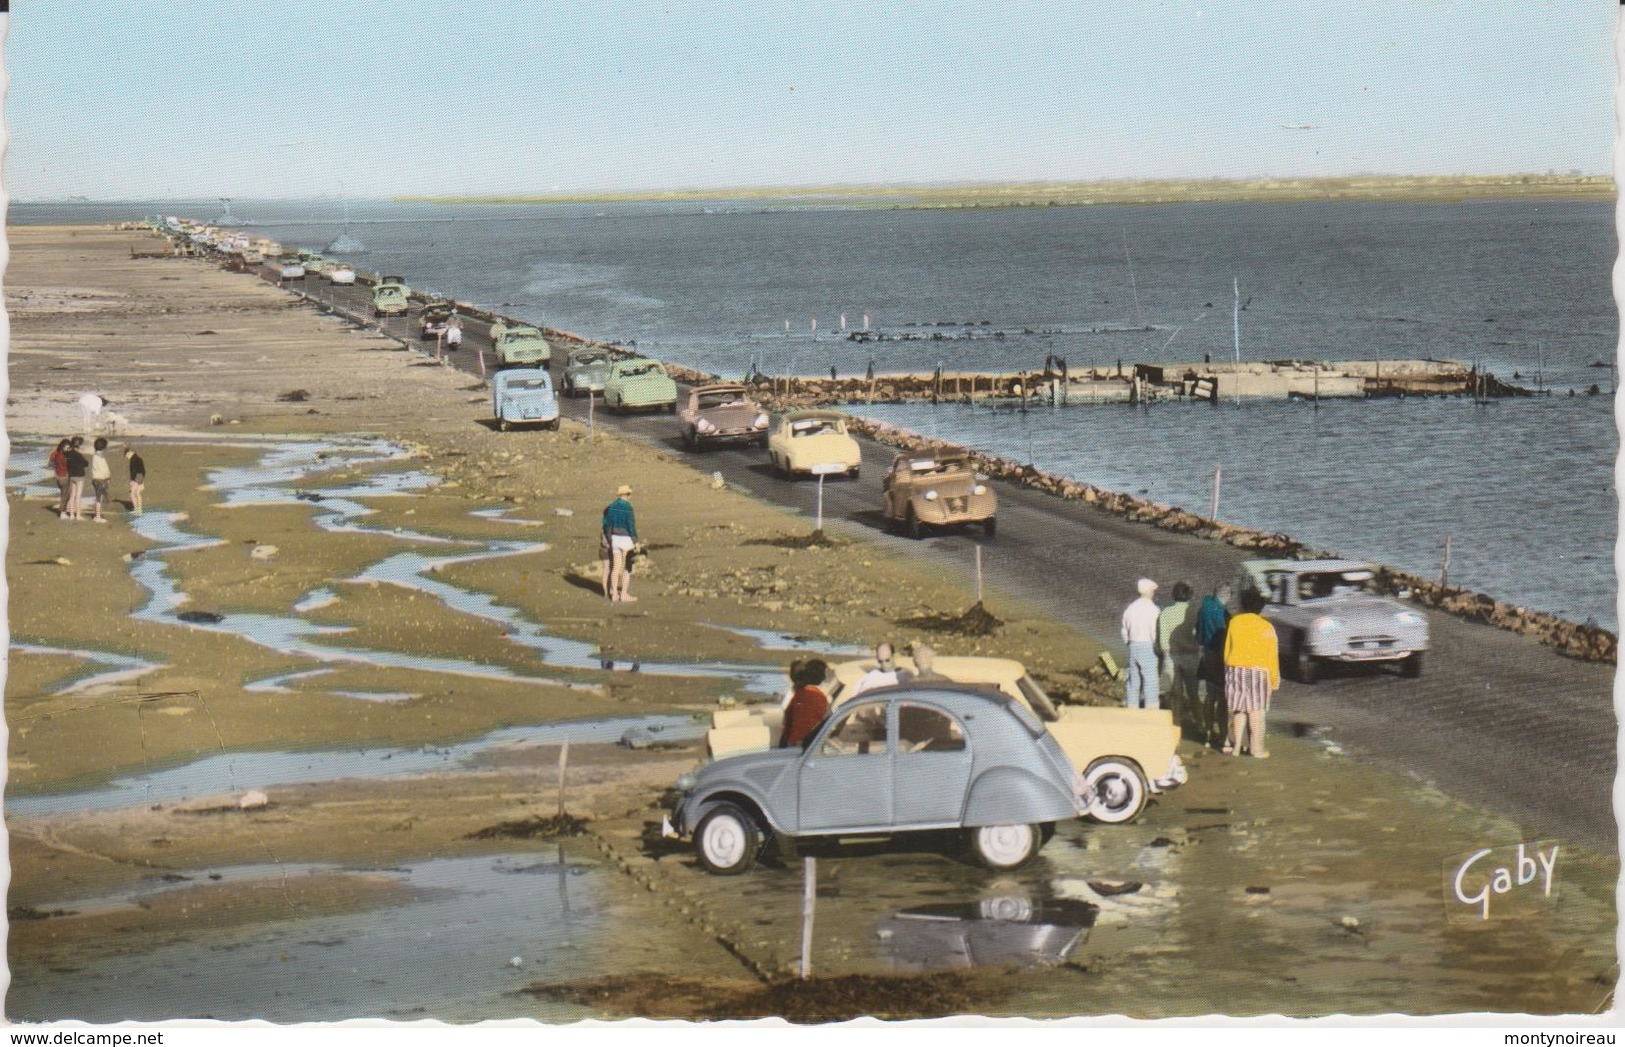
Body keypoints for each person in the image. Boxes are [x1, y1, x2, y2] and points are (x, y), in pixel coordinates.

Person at [1223, 590, 1280, 758]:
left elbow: (1228, 649)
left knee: (1238, 709)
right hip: (1258, 670)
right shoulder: (1266, 627)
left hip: (1235, 668)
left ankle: (1236, 747)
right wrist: (1274, 680)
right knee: (1256, 711)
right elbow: (1272, 656)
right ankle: (1256, 749)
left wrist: (1228, 667)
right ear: (1260, 607)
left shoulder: (1235, 622)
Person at [1194, 583, 1232, 746]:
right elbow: (1226, 635)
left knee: (1210, 697)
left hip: (1207, 654)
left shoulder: (1203, 608)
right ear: (1227, 596)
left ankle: (1208, 733)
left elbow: (1198, 633)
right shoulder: (1223, 613)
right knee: (1223, 700)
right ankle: (1224, 737)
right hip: (1220, 657)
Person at [1157, 581, 1199, 726]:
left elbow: (1163, 642)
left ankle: (1175, 723)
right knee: (1193, 693)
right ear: (1189, 595)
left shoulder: (1165, 613)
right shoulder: (1193, 612)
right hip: (1191, 656)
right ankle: (1200, 724)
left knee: (1176, 693)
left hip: (1172, 656)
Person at [1120, 578, 1161, 709]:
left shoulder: (1130, 608)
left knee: (1133, 682)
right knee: (1150, 681)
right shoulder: (1153, 610)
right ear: (1149, 591)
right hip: (1147, 646)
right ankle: (1152, 711)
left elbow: (1124, 630)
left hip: (1133, 646)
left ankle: (1132, 709)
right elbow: (1155, 632)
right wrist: (1158, 647)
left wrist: (1129, 643)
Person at [779, 658, 831, 748]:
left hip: (792, 743)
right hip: (806, 746)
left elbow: (787, 718)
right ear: (820, 676)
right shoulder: (818, 696)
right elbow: (827, 722)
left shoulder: (800, 693)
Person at [601, 484, 638, 603]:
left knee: (616, 568)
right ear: (627, 495)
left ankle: (614, 595)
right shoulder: (628, 507)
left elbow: (607, 525)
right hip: (626, 539)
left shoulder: (611, 507)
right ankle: (624, 595)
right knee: (627, 568)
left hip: (614, 538)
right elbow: (631, 525)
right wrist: (635, 541)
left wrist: (610, 539)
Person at [62, 437, 89, 522]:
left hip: (71, 476)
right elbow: (85, 463)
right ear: (79, 445)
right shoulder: (78, 454)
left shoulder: (67, 453)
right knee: (78, 495)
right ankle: (78, 514)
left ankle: (71, 515)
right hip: (79, 476)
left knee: (72, 495)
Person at [88, 437, 112, 523]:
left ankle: (97, 514)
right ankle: (97, 516)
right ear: (103, 447)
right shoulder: (101, 458)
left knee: (98, 498)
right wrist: (108, 477)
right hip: (101, 480)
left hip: (95, 479)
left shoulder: (95, 456)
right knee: (99, 498)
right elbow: (105, 470)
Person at [48, 439, 71, 516]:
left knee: (64, 494)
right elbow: (69, 466)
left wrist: (55, 469)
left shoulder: (54, 454)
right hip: (64, 476)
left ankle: (64, 510)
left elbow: (50, 464)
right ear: (63, 447)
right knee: (65, 495)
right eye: (67, 448)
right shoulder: (65, 456)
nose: (68, 449)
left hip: (58, 476)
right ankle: (62, 512)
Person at [125, 446, 146, 515]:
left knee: (133, 494)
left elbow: (135, 471)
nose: (127, 457)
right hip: (139, 478)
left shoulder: (134, 459)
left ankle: (138, 510)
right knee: (136, 493)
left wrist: (133, 480)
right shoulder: (137, 458)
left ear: (130, 452)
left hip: (136, 479)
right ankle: (138, 510)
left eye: (126, 455)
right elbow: (143, 470)